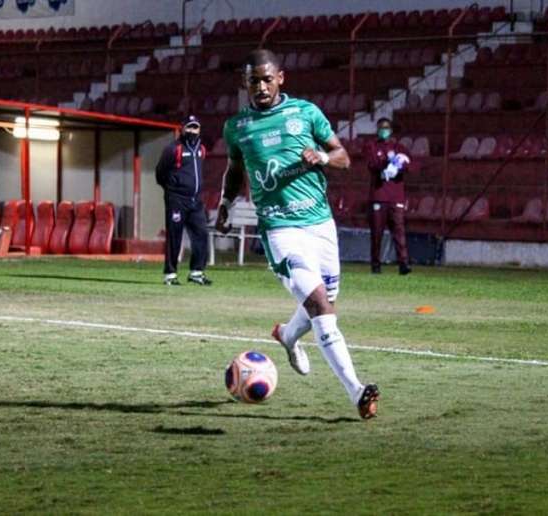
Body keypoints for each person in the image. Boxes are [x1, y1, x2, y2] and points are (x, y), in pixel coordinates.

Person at [216, 49, 379, 419]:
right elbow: (235, 170)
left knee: (326, 301)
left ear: (280, 78)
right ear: (245, 83)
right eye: (253, 80)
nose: (260, 86)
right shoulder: (237, 127)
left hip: (321, 226)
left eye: (266, 79)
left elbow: (343, 157)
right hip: (280, 230)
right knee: (321, 306)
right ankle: (357, 393)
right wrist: (224, 205)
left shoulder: (305, 113)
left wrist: (321, 158)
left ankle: (288, 336)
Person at [155, 114, 212, 286]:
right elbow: (160, 173)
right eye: (189, 127)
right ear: (182, 128)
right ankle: (170, 274)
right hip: (177, 201)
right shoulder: (173, 149)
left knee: (201, 234)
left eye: (195, 127)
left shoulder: (201, 149)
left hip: (196, 201)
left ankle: (196, 272)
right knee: (175, 236)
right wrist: (172, 190)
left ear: (199, 129)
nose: (192, 130)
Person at [363, 117, 412, 275]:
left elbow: (410, 164)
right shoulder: (371, 146)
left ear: (391, 130)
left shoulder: (400, 147)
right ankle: (376, 265)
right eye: (381, 127)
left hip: (396, 196)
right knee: (376, 232)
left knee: (399, 231)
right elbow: (372, 165)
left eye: (386, 128)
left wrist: (398, 164)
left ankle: (403, 263)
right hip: (378, 195)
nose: (384, 130)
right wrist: (385, 163)